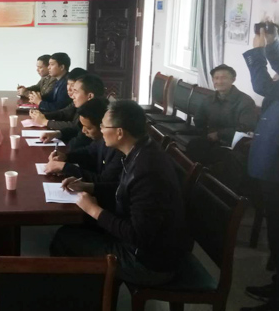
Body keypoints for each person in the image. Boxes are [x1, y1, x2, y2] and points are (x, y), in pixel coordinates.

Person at [51, 100, 193, 286]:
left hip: (149, 262)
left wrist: (94, 210)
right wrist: (88, 186)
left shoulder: (147, 171)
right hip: (146, 246)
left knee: (65, 239)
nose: (101, 130)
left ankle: (86, 296)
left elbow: (138, 236)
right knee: (76, 228)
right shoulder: (141, 150)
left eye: (104, 126)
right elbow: (125, 190)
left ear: (119, 132)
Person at [241, 24, 279, 311]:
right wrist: (269, 40)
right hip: (273, 166)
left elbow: (263, 85)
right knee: (276, 228)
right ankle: (278, 284)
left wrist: (263, 46)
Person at [186, 64, 257, 190]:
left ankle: (219, 194)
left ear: (233, 79)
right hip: (211, 140)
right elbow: (199, 119)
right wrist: (207, 134)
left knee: (226, 162)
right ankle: (193, 183)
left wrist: (219, 134)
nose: (219, 81)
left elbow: (246, 127)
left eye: (224, 78)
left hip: (233, 145)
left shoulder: (245, 101)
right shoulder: (209, 99)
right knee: (194, 146)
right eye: (216, 78)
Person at [44, 98, 122, 183]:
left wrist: (65, 167)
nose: (83, 131)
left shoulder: (119, 150)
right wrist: (66, 156)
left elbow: (105, 182)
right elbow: (88, 152)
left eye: (89, 128)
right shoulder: (101, 140)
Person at [40, 74, 106, 152]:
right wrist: (57, 134)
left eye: (76, 92)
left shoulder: (97, 115)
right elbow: (76, 128)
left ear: (90, 96)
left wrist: (45, 121)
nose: (72, 96)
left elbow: (77, 143)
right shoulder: (84, 107)